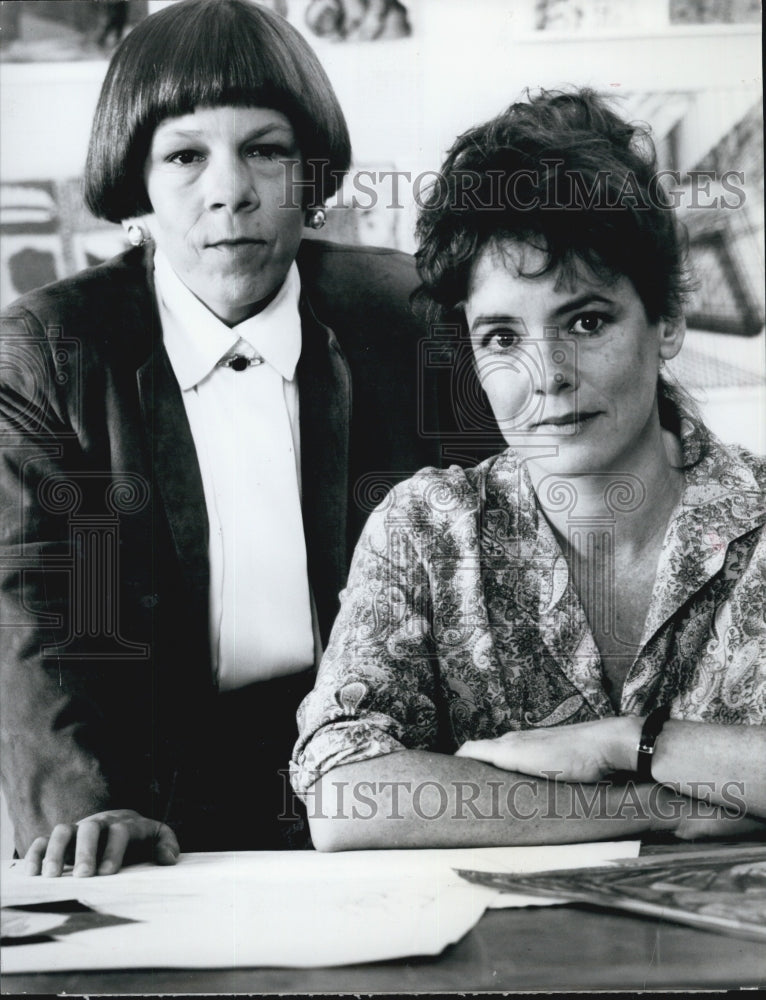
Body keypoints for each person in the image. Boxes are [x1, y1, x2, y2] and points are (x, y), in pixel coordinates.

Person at [0, 0, 449, 875]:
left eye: (267, 150)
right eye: (185, 155)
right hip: (152, 795)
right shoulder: (53, 351)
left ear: (310, 174)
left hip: (387, 780)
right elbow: (33, 612)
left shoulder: (410, 320)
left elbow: (487, 572)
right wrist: (89, 813)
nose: (230, 190)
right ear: (136, 184)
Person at [292, 89, 766, 850]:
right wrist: (659, 804)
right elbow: (345, 794)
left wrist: (628, 742)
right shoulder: (426, 529)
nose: (546, 376)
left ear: (667, 321)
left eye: (586, 321)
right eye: (504, 337)